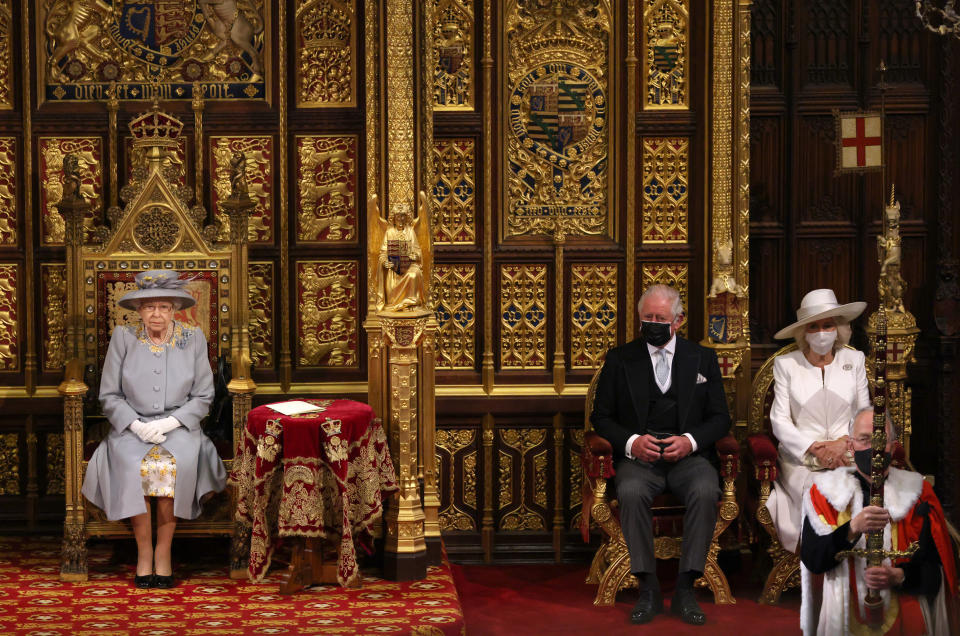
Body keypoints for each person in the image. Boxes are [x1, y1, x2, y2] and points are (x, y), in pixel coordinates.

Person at [590, 284, 731, 625]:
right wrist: (632, 442)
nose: (653, 323)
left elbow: (721, 418)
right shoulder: (620, 358)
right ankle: (648, 588)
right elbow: (601, 416)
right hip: (640, 459)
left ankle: (685, 588)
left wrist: (691, 441)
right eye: (647, 317)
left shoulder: (703, 358)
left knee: (704, 489)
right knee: (632, 491)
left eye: (660, 318)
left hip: (689, 457)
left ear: (678, 321)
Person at [81, 269, 226, 588]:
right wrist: (134, 424)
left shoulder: (193, 338)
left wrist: (170, 422)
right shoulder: (124, 338)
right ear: (138, 311)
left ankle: (164, 551)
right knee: (135, 466)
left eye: (162, 306)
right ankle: (143, 552)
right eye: (148, 307)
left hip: (180, 427)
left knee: (172, 466)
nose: (156, 314)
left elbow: (204, 396)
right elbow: (109, 394)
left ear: (175, 308)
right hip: (130, 428)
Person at [800, 408, 957, 635]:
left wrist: (900, 576)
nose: (873, 448)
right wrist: (852, 528)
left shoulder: (918, 495)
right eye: (864, 439)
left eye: (881, 440)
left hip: (906, 618)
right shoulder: (824, 494)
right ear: (851, 446)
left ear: (893, 446)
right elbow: (813, 560)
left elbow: (938, 575)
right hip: (843, 619)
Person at [765, 288, 870, 553]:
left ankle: (855, 565)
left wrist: (844, 445)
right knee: (819, 490)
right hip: (801, 460)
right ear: (803, 332)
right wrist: (814, 447)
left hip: (848, 454)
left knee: (855, 490)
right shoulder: (786, 364)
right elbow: (779, 420)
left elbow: (865, 414)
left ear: (838, 328)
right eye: (814, 326)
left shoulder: (854, 360)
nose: (822, 332)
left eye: (827, 325)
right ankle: (822, 560)